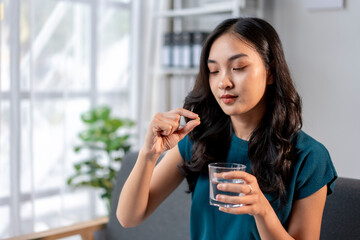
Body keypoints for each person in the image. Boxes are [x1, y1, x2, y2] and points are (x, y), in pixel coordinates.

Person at [117, 17, 337, 240]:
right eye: (214, 71)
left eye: (238, 67)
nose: (224, 82)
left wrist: (262, 210)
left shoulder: (309, 157)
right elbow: (129, 218)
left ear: (270, 72)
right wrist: (149, 154)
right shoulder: (199, 140)